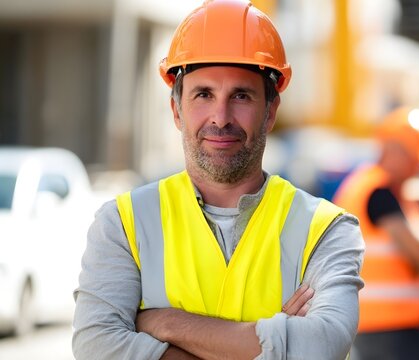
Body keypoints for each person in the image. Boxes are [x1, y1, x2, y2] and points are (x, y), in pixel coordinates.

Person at [72, 1, 364, 359]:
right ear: (177, 109)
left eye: (241, 95)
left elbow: (321, 346)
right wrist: (275, 343)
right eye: (204, 94)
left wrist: (167, 324)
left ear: (270, 111)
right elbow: (96, 348)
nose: (221, 117)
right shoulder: (123, 224)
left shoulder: (327, 230)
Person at [333, 106, 419, 360]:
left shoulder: (366, 186)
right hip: (387, 329)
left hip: (377, 325)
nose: (416, 169)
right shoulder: (379, 193)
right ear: (395, 151)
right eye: (414, 160)